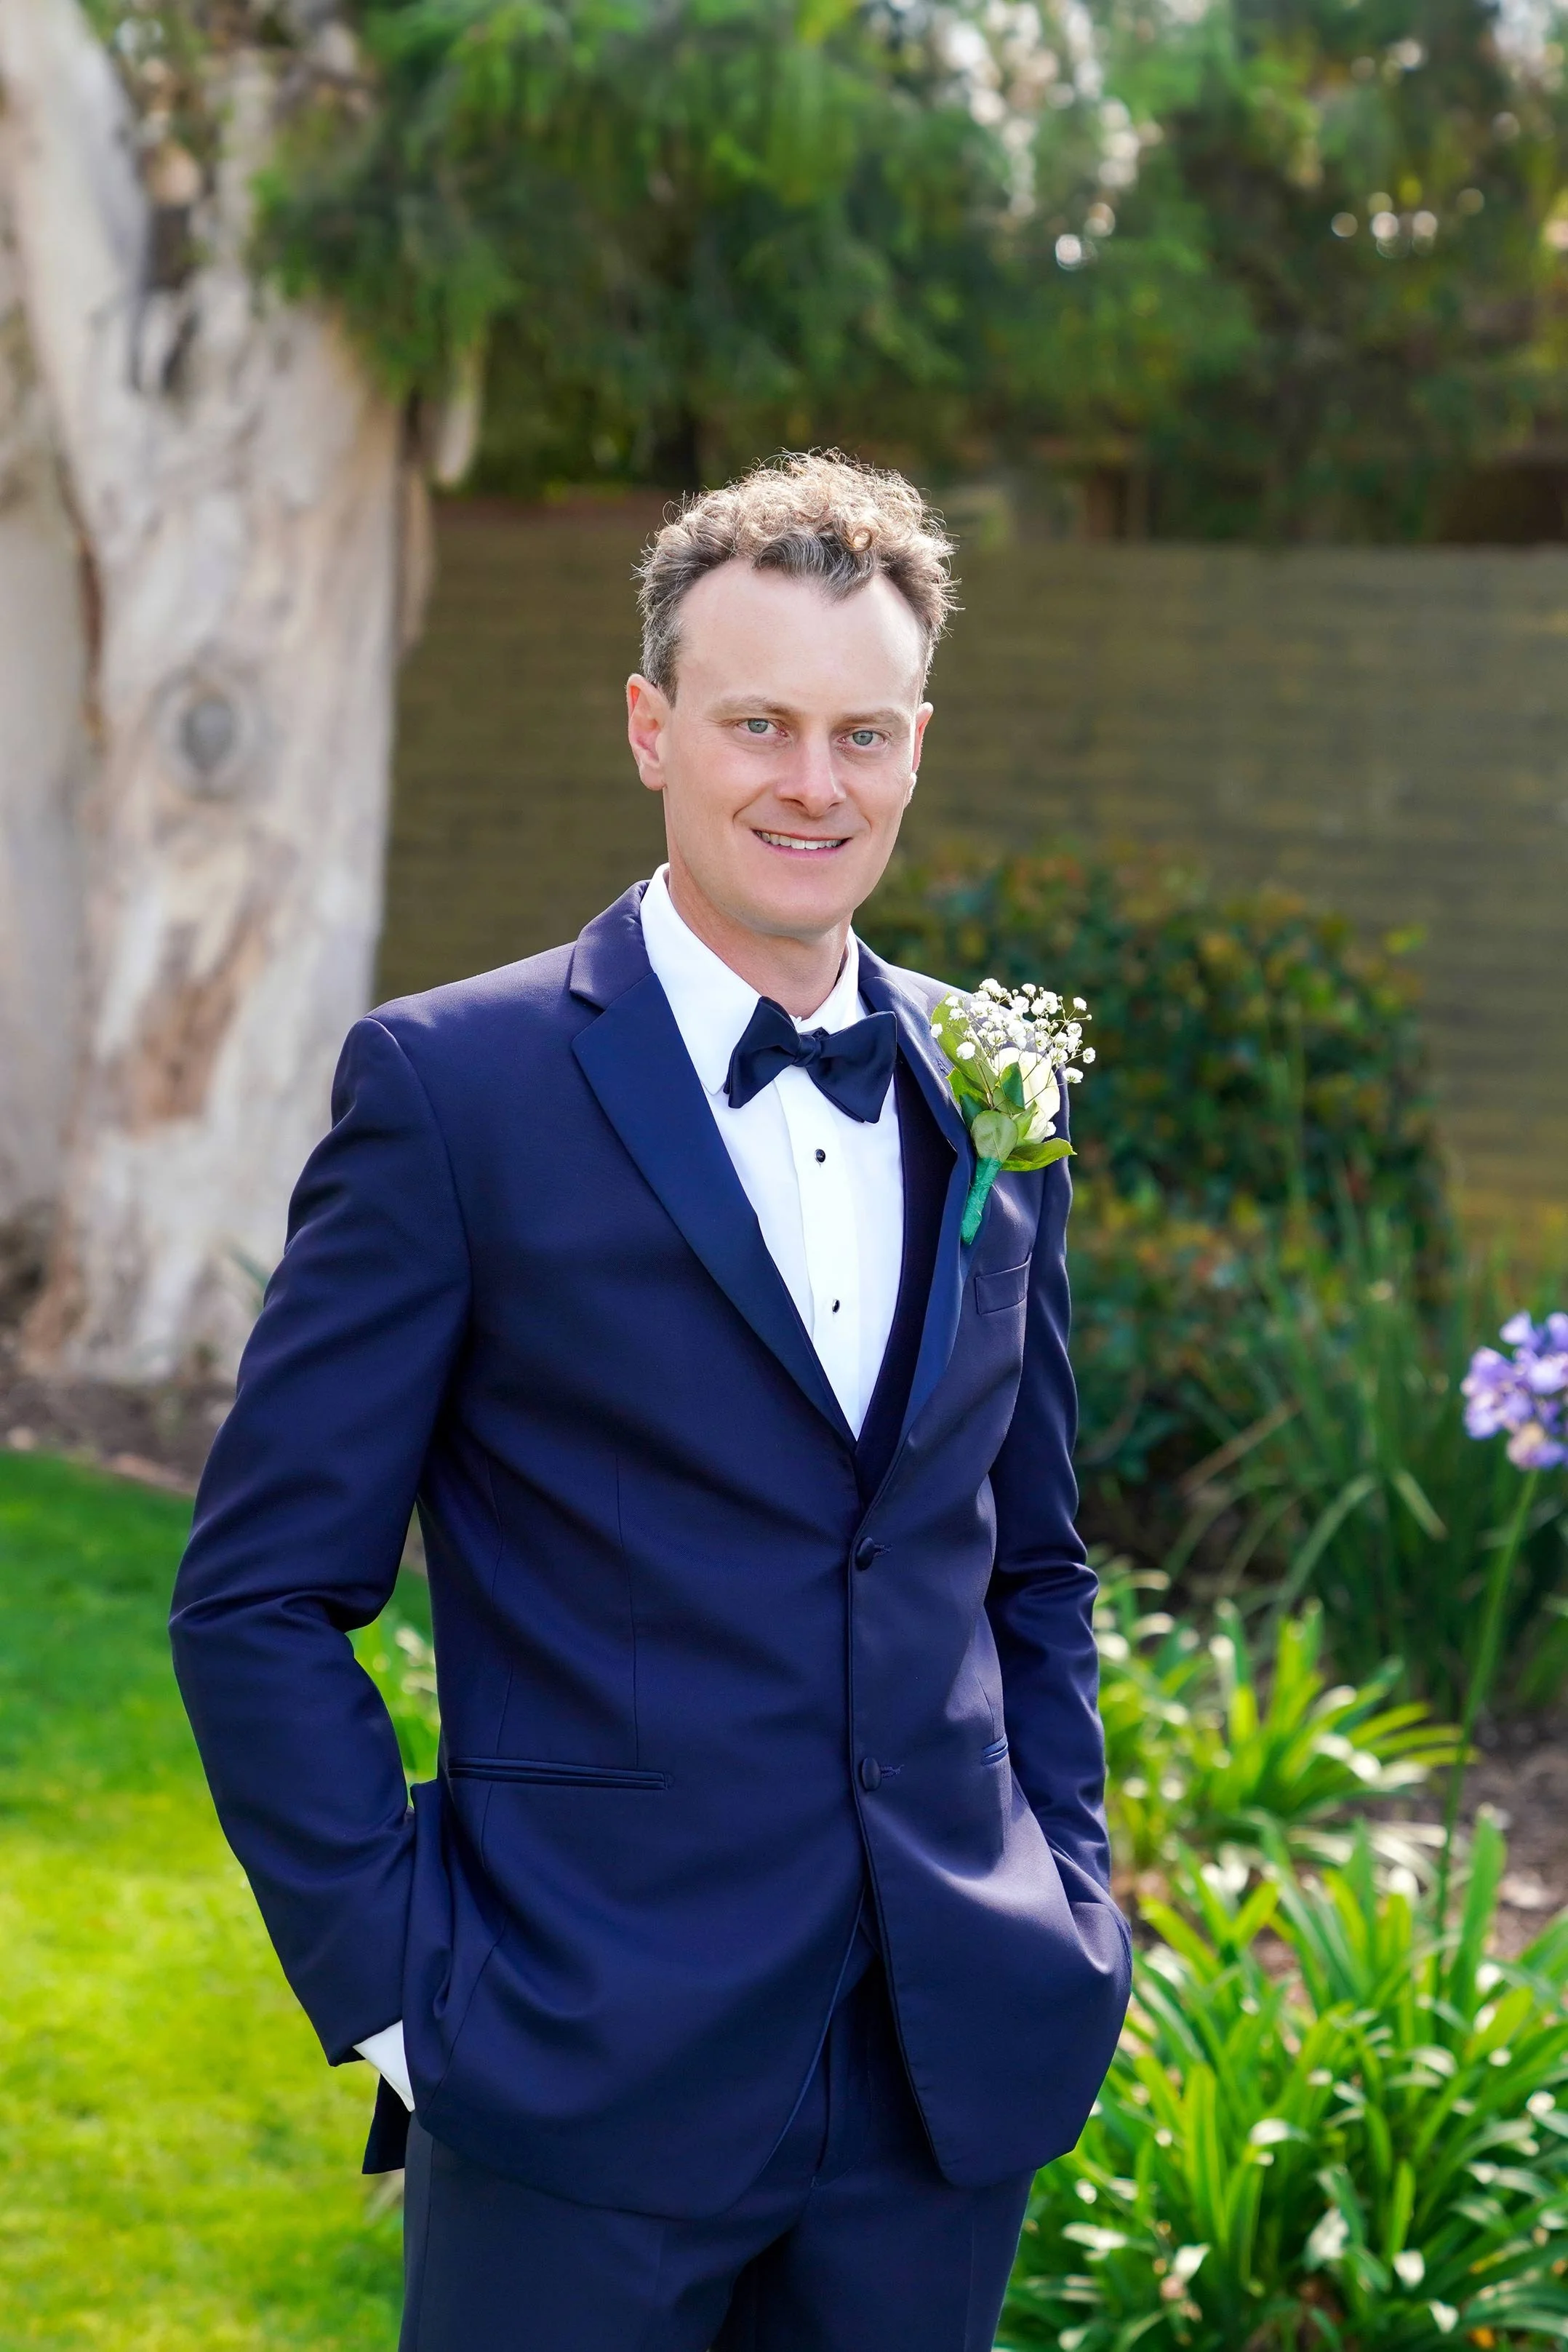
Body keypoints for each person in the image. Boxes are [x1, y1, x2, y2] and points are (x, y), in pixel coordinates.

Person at [169, 451, 1129, 2352]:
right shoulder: (456, 1093)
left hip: (939, 2081)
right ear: (649, 728)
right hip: (570, 2059)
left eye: (861, 733)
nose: (811, 783)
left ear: (916, 744)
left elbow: (1030, 1562)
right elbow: (260, 1597)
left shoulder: (994, 1089)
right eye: (756, 722)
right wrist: (399, 1993)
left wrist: (1068, 1900)